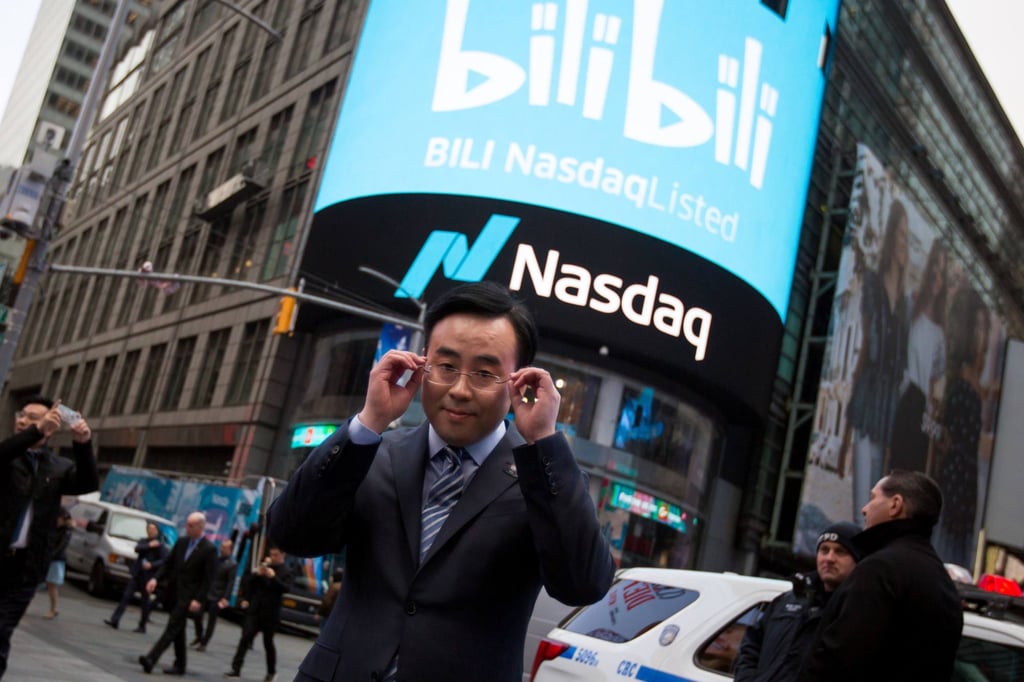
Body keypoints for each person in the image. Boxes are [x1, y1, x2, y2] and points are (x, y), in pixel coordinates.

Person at [268, 281, 615, 681]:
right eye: (446, 366)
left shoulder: (543, 478)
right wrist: (368, 422)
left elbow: (583, 585)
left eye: (484, 373)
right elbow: (291, 533)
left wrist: (544, 442)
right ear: (422, 364)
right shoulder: (372, 452)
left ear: (518, 381)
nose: (460, 390)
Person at [798, 470, 963, 681]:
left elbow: (841, 656)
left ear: (895, 505)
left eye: (873, 498)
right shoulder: (942, 581)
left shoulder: (880, 569)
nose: (864, 509)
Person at [0, 395, 97, 679]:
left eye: (32, 417)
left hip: (25, 568)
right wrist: (35, 430)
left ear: (53, 426)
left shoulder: (57, 467)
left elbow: (88, 482)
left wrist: (83, 443)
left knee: (1, 631)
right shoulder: (8, 456)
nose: (23, 421)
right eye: (22, 415)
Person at [843, 200, 910, 518]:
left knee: (881, 486)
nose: (903, 243)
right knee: (865, 497)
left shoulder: (906, 303)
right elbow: (867, 346)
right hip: (869, 395)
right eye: (900, 234)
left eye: (907, 237)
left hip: (890, 406)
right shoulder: (872, 284)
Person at [734, 522, 862, 681]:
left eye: (840, 551)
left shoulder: (858, 610)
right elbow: (751, 646)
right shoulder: (787, 600)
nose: (829, 558)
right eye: (824, 550)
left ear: (858, 559)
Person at [934, 288, 989, 567]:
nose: (982, 335)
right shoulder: (959, 382)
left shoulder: (974, 383)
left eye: (984, 327)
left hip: (966, 482)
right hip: (954, 479)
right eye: (977, 326)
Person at [889, 240, 947, 473]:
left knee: (910, 475)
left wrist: (930, 419)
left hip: (919, 406)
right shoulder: (910, 305)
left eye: (942, 272)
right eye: (934, 266)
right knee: (893, 471)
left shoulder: (940, 334)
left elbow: (934, 380)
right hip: (902, 396)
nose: (936, 276)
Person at [138, 511, 217, 676]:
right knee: (178, 629)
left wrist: (198, 599)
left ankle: (151, 659)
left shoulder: (209, 549)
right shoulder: (182, 542)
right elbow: (168, 563)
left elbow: (208, 579)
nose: (187, 528)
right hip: (174, 592)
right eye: (187, 524)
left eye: (191, 525)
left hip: (189, 597)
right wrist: (155, 579)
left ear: (200, 527)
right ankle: (180, 664)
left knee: (172, 626)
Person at [224, 545, 293, 681]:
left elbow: (285, 589)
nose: (273, 558)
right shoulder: (264, 567)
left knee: (268, 642)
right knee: (245, 637)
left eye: (276, 555)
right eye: (271, 555)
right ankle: (235, 669)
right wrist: (257, 574)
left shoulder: (286, 572)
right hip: (255, 610)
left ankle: (271, 672)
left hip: (270, 613)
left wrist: (273, 578)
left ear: (282, 556)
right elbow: (248, 583)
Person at [105, 521, 169, 633]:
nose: (151, 531)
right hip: (138, 574)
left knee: (144, 601)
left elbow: (165, 560)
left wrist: (152, 565)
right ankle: (115, 619)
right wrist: (149, 545)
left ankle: (142, 625)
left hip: (148, 576)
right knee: (126, 596)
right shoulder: (144, 541)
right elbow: (137, 548)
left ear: (157, 531)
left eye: (153, 529)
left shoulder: (160, 546)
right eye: (149, 529)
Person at [190, 538, 237, 651]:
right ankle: (199, 635)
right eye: (222, 547)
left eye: (225, 548)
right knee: (197, 614)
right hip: (207, 592)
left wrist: (225, 598)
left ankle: (204, 643)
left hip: (218, 595)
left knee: (211, 620)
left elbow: (230, 583)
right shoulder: (215, 559)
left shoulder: (232, 564)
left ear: (230, 550)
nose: (222, 549)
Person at [43, 507, 75, 620]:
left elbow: (60, 547)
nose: (56, 520)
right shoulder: (57, 529)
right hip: (52, 559)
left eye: (58, 518)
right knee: (49, 585)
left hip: (56, 560)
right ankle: (53, 609)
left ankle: (53, 609)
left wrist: (49, 556)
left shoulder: (65, 531)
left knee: (51, 585)